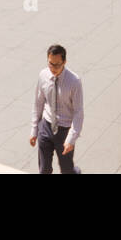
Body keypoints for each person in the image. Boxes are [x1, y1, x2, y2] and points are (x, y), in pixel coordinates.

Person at [29, 43, 84, 174]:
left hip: (64, 131)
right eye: (50, 64)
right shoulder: (43, 75)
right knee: (44, 170)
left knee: (66, 170)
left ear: (64, 62)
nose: (53, 68)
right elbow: (38, 103)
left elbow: (78, 112)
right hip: (46, 127)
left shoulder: (74, 81)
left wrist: (71, 139)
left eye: (57, 64)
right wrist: (34, 130)